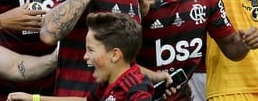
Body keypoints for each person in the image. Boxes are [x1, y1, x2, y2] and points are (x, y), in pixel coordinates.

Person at [9, 12, 153, 101]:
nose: (85, 56)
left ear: (115, 55)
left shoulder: (136, 88)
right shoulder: (108, 83)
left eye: (91, 50)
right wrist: (34, 99)